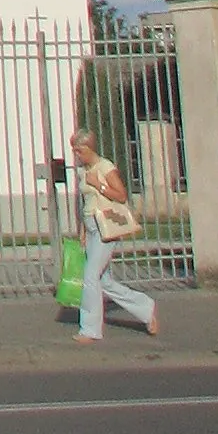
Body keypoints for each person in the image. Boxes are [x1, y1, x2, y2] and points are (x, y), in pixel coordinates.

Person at [68, 126, 158, 342]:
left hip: (105, 229)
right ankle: (146, 308)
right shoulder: (84, 171)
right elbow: (86, 203)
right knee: (104, 281)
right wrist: (82, 232)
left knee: (90, 277)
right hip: (91, 228)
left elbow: (121, 195)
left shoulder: (105, 167)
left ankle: (89, 329)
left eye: (79, 150)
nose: (76, 155)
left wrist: (98, 184)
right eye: (74, 151)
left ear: (89, 148)